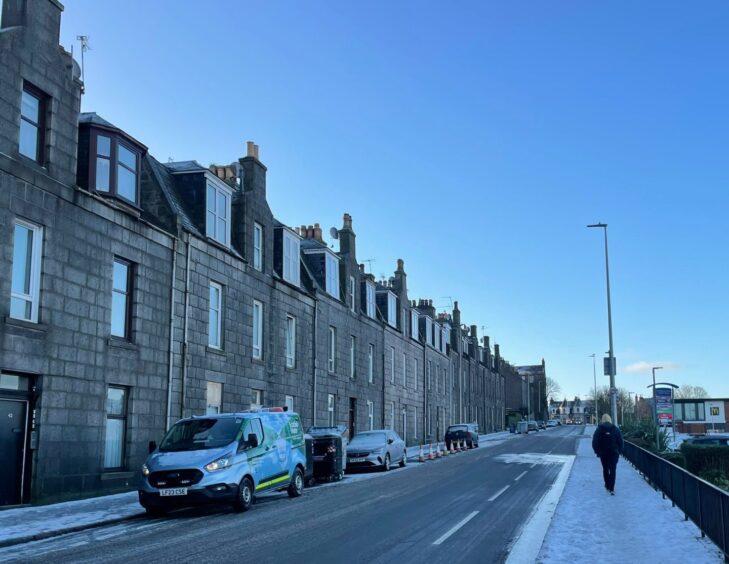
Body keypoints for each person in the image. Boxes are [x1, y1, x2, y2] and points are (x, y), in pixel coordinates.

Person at [592, 413, 624, 495]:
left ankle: (607, 485)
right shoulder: (615, 429)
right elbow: (621, 441)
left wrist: (597, 451)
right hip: (614, 453)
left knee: (605, 469)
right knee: (613, 470)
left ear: (603, 420)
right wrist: (619, 451)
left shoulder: (599, 429)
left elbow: (594, 442)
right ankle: (612, 488)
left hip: (603, 453)